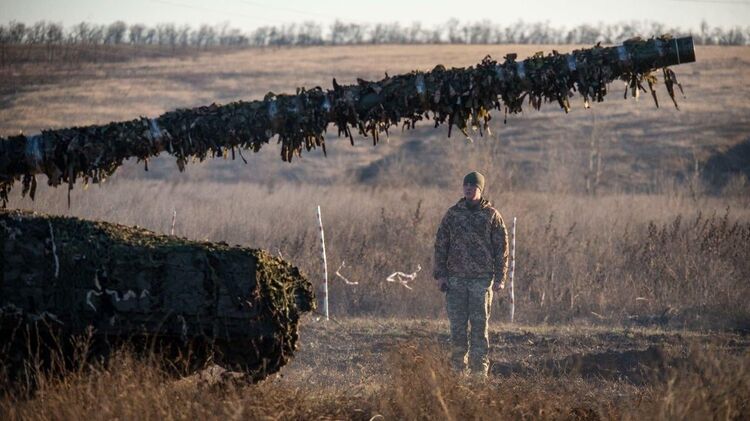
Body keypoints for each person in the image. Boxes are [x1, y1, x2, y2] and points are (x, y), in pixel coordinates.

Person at [433, 171, 509, 378]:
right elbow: (441, 245)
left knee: (479, 329)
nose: (468, 188)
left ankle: (478, 376)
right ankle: (457, 375)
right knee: (457, 330)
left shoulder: (491, 215)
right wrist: (440, 275)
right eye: (466, 185)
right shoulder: (452, 214)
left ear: (480, 189)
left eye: (473, 186)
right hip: (455, 281)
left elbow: (501, 249)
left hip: (481, 281)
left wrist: (500, 278)